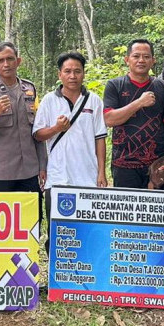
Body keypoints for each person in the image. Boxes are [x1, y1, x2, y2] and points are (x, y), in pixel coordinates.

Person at [34, 51, 107, 249]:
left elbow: (100, 137)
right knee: (57, 232)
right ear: (60, 74)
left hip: (88, 177)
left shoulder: (94, 101)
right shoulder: (49, 100)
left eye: (77, 71)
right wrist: (56, 128)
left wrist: (101, 172)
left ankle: (84, 275)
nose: (72, 76)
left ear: (84, 74)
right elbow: (38, 135)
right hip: (58, 176)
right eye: (67, 71)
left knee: (88, 233)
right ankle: (54, 278)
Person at [103, 39, 164, 189]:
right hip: (123, 164)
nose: (141, 60)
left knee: (159, 211)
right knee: (126, 211)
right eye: (136, 56)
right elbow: (109, 119)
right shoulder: (115, 85)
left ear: (153, 61)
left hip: (157, 165)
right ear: (127, 60)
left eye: (146, 57)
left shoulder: (163, 87)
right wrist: (139, 103)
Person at [0, 42, 46, 197]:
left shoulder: (30, 89)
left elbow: (37, 131)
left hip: (30, 170)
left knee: (33, 219)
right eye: (0, 61)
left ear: (18, 61)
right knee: (2, 222)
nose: (6, 64)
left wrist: (42, 165)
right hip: (2, 173)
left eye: (10, 59)